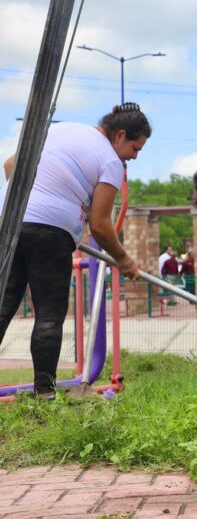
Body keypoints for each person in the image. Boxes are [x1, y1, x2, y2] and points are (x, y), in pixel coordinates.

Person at [0, 103, 150, 397]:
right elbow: (100, 225)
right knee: (49, 315)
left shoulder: (60, 129)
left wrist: (33, 201)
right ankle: (45, 395)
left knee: (3, 308)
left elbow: (9, 166)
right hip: (50, 233)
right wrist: (125, 260)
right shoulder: (110, 160)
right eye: (135, 147)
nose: (134, 155)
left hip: (8, 222)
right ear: (119, 135)